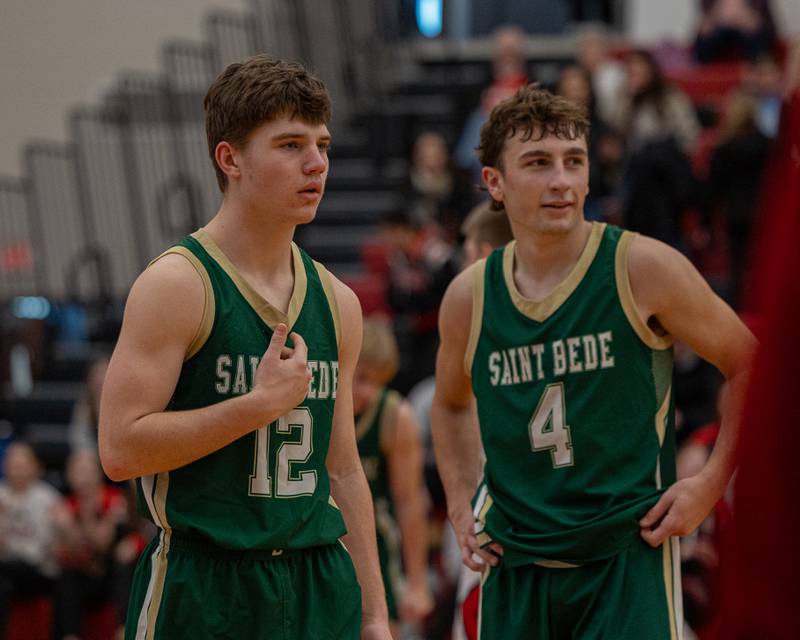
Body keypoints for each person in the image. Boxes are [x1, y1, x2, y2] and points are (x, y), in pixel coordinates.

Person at [431, 84, 754, 639]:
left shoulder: (642, 268)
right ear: (495, 183)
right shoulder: (469, 297)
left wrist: (709, 484)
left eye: (573, 161)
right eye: (537, 163)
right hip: (516, 561)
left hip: (624, 558)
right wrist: (462, 503)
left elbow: (751, 367)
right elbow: (451, 406)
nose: (561, 180)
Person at [98, 55, 391, 640]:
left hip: (318, 579)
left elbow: (343, 468)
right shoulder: (178, 285)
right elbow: (120, 450)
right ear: (230, 159)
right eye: (289, 145)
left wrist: (375, 615)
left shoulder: (339, 302)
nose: (316, 164)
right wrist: (254, 407)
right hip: (207, 584)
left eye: (323, 145)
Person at [353, 316, 434, 638]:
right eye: (359, 378)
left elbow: (409, 502)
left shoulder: (394, 416)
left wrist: (416, 583)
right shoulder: (317, 404)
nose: (367, 391)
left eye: (376, 382)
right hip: (321, 544)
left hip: (376, 547)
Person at [51, 450, 127, 640]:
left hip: (108, 573)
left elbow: (102, 543)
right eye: (78, 471)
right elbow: (72, 548)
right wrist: (70, 528)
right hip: (81, 571)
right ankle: (70, 635)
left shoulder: (114, 498)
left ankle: (123, 629)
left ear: (99, 473)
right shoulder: (64, 503)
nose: (83, 477)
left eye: (88, 471)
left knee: (124, 565)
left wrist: (84, 517)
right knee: (65, 576)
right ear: (69, 475)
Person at [0, 442, 62, 637]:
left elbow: (46, 550)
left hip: (37, 571)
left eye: (21, 462)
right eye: (11, 462)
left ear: (35, 466)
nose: (15, 466)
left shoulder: (48, 499)